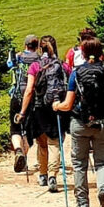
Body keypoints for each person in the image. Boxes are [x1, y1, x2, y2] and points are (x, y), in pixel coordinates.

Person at [54, 38, 104, 207]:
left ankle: (82, 206)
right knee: (103, 162)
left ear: (82, 53)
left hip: (80, 123)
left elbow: (67, 104)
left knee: (79, 164)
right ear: (101, 53)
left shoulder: (77, 73)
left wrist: (57, 106)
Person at [18, 35, 67, 192]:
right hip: (56, 107)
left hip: (39, 108)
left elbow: (29, 90)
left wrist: (22, 112)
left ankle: (43, 174)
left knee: (42, 143)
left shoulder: (36, 65)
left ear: (41, 48)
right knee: (55, 142)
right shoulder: (63, 65)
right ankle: (53, 175)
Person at [7, 35, 42, 174]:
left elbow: (4, 67)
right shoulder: (40, 60)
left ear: (25, 45)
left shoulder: (17, 57)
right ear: (36, 45)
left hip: (16, 96)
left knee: (15, 128)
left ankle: (18, 151)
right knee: (28, 130)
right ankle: (24, 157)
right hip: (33, 98)